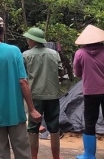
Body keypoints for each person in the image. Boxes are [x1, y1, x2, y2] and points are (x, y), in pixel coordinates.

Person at [0, 15, 41, 159]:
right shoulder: (14, 51)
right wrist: (32, 109)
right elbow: (23, 82)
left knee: (0, 154)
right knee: (23, 152)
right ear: (3, 31)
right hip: (15, 112)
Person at [73, 25, 104, 159]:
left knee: (90, 122)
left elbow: (77, 73)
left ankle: (89, 154)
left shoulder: (80, 54)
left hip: (90, 93)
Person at [22, 27, 63, 159]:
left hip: (34, 95)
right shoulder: (54, 54)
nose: (27, 40)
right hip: (53, 95)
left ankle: (34, 157)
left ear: (33, 40)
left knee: (33, 128)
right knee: (54, 127)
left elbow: (22, 77)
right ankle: (56, 157)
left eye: (28, 38)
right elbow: (61, 73)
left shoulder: (25, 55)